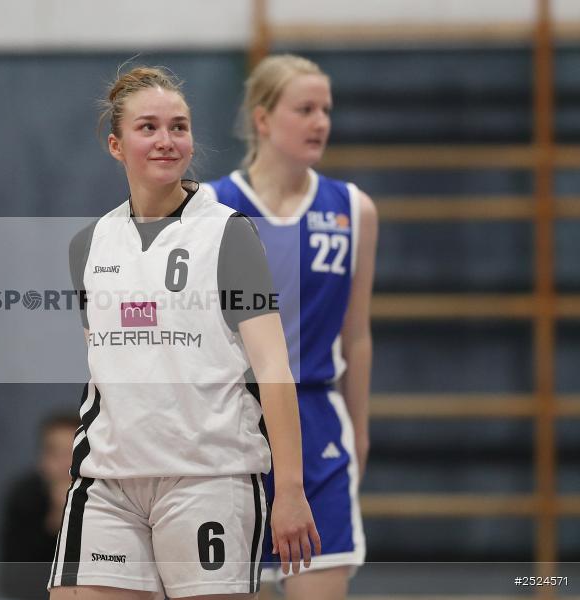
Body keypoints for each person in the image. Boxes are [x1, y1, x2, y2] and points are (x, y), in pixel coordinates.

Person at [49, 65, 320, 600]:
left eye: (179, 127)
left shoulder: (228, 234)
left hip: (209, 478)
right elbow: (102, 370)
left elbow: (273, 368)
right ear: (115, 145)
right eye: (148, 127)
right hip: (109, 482)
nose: (167, 141)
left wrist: (289, 487)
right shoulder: (89, 244)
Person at [208, 54, 378, 600]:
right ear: (263, 119)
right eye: (305, 109)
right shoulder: (210, 206)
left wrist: (361, 428)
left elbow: (358, 336)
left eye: (326, 109)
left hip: (318, 429)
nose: (320, 121)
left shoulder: (353, 208)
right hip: (232, 428)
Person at [0, 413, 78, 600]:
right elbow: (11, 581)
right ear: (42, 459)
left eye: (73, 453)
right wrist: (54, 523)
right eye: (55, 454)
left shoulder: (109, 498)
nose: (65, 463)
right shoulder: (25, 498)